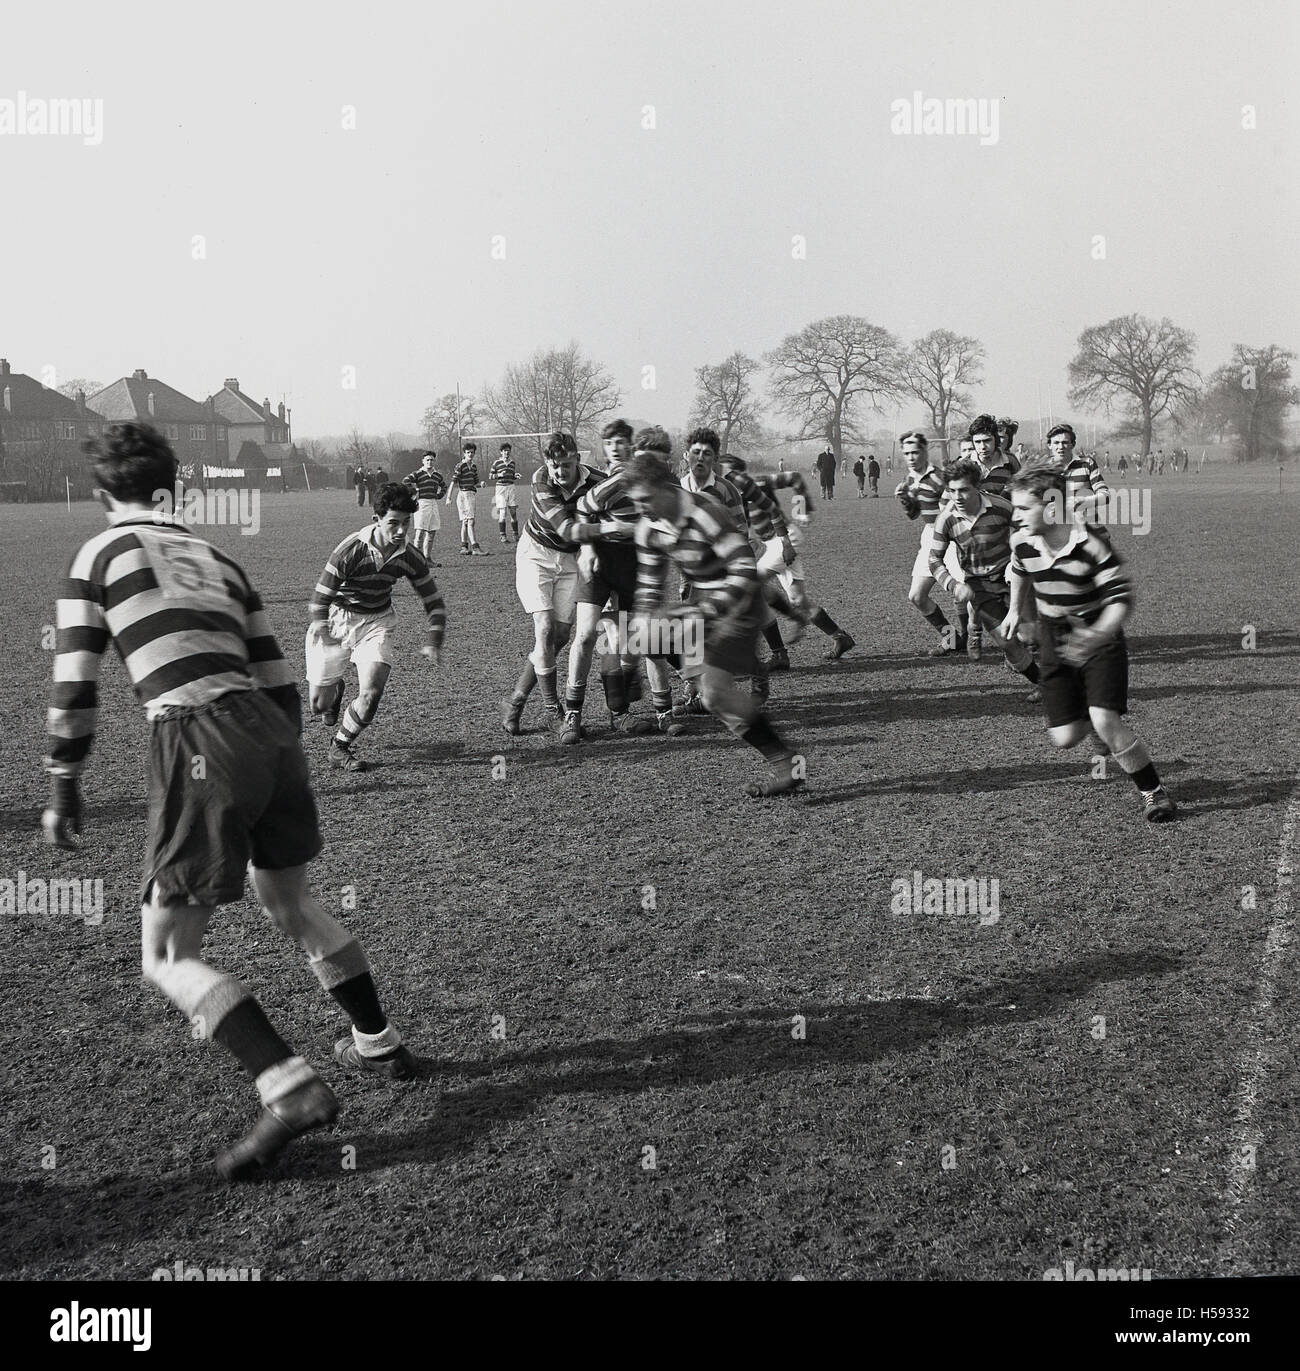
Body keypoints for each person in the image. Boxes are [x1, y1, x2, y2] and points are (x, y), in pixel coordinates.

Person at [42, 421, 417, 1183]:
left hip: (197, 734)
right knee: (291, 904)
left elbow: (76, 683)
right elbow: (279, 672)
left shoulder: (99, 553)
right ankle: (377, 1040)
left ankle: (290, 1086)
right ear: (171, 488)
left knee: (166, 953)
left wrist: (62, 782)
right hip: (270, 734)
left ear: (99, 492)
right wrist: (276, 761)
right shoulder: (216, 556)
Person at [623, 429, 804, 797]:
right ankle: (785, 761)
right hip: (705, 599)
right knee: (642, 636)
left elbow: (741, 572)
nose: (640, 510)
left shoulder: (706, 513)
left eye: (644, 500)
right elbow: (648, 587)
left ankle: (788, 766)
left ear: (665, 489)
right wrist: (632, 648)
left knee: (715, 694)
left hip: (739, 601)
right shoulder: (649, 527)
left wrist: (700, 614)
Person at [1003, 462, 1176, 822]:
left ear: (1052, 507)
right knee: (1065, 738)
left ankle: (1153, 792)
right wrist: (1015, 613)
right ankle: (1092, 714)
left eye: (1023, 508)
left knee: (1105, 721)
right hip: (1054, 638)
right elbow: (1020, 571)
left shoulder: (1091, 544)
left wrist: (1095, 636)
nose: (1016, 515)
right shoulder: (1021, 541)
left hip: (1099, 635)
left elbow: (1120, 599)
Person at [307, 483, 446, 771]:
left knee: (371, 695)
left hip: (377, 622)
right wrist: (325, 635)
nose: (400, 531)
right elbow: (319, 601)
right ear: (377, 520)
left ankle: (340, 746)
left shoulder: (410, 556)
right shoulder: (350, 550)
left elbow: (433, 601)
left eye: (406, 524)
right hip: (337, 620)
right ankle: (335, 690)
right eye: (393, 523)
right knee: (318, 706)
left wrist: (434, 639)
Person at [562, 418, 685, 739]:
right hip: (602, 563)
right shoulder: (618, 481)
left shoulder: (671, 488)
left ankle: (663, 713)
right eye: (611, 442)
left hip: (636, 566)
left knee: (650, 641)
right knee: (587, 635)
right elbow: (582, 507)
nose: (617, 448)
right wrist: (588, 549)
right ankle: (572, 715)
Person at [502, 432, 603, 736]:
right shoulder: (540, 480)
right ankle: (550, 710)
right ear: (547, 463)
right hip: (537, 555)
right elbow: (566, 528)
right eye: (554, 464)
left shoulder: (598, 480)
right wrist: (616, 527)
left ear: (577, 459)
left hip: (572, 562)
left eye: (566, 464)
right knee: (544, 629)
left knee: (558, 638)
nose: (560, 471)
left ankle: (516, 701)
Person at [928, 458, 1041, 698]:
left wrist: (1019, 560)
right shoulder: (945, 520)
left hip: (1012, 577)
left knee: (1029, 636)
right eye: (952, 490)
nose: (957, 496)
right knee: (1007, 642)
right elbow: (934, 560)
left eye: (963, 490)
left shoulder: (1001, 506)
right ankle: (1047, 686)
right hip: (978, 586)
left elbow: (1027, 532)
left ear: (977, 487)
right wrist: (953, 585)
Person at [895, 431, 966, 655]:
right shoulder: (908, 480)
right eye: (907, 453)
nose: (911, 457)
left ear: (925, 451)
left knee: (972, 593)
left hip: (951, 538)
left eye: (915, 452)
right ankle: (952, 638)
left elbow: (950, 511)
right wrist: (907, 501)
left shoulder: (938, 477)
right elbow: (914, 515)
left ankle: (1007, 637)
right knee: (916, 596)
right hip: (929, 537)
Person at [401, 451, 447, 564]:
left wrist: (439, 495)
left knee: (432, 532)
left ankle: (427, 558)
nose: (429, 462)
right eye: (427, 460)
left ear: (434, 461)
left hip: (433, 503)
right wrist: (414, 492)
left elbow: (444, 486)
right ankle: (416, 560)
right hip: (422, 504)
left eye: (431, 460)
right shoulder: (418, 473)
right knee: (420, 532)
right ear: (423, 461)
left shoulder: (437, 475)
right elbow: (405, 481)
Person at [447, 441, 486, 555]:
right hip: (464, 495)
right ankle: (475, 547)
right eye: (468, 452)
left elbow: (475, 482)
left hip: (471, 494)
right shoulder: (460, 466)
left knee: (465, 522)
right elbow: (453, 482)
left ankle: (464, 547)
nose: (470, 454)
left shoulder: (473, 467)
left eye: (472, 452)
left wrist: (481, 484)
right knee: (470, 521)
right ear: (464, 453)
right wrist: (449, 497)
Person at [489, 441, 521, 543]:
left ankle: (516, 534)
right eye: (505, 451)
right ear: (501, 452)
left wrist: (515, 476)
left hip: (511, 488)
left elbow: (511, 476)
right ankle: (503, 536)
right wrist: (499, 475)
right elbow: (490, 476)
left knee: (513, 512)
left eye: (508, 451)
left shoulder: (512, 463)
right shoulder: (496, 463)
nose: (507, 453)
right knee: (502, 513)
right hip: (501, 489)